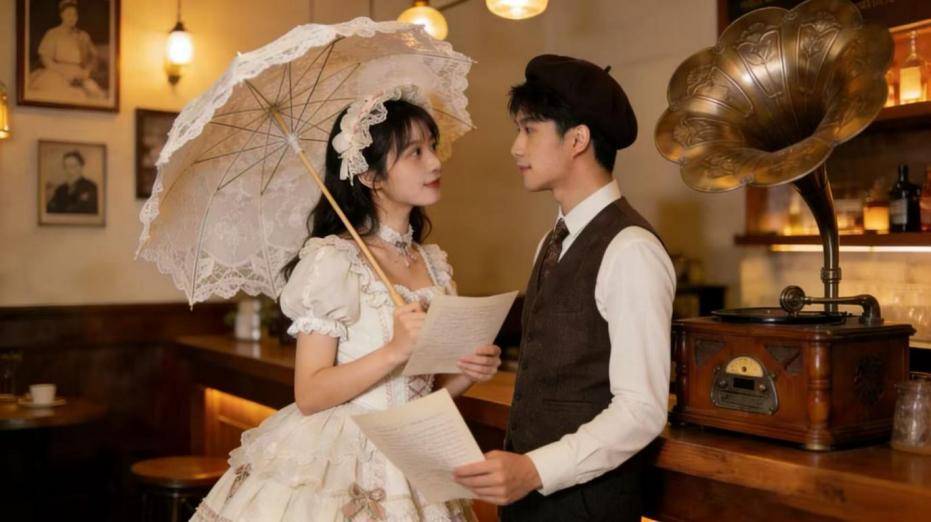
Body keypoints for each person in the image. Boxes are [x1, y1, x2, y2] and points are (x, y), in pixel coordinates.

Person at [192, 85, 500, 522]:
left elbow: (420, 397)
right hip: (345, 459)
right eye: (415, 152)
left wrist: (467, 374)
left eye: (432, 146)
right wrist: (394, 350)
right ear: (370, 176)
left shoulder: (433, 264)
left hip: (415, 453)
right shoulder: (333, 260)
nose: (434, 162)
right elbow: (310, 394)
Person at [453, 55, 676, 521]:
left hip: (587, 508)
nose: (516, 147)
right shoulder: (551, 241)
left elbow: (641, 409)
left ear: (577, 139)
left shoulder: (631, 249)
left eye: (529, 130)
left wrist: (534, 470)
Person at [30, 0, 105, 100]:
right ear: (62, 15)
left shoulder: (83, 35)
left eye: (74, 15)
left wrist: (87, 71)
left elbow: (94, 56)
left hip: (78, 73)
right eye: (68, 14)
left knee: (95, 93)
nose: (72, 18)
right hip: (56, 72)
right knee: (66, 94)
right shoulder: (53, 34)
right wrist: (63, 72)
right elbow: (45, 58)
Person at [46, 150, 98, 214]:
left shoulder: (91, 187)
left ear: (81, 167)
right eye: (66, 166)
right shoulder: (60, 189)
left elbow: (87, 211)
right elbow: (51, 209)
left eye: (73, 166)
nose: (69, 170)